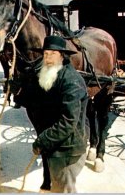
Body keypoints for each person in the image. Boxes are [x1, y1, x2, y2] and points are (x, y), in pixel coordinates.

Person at [32, 35, 88, 193]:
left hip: (67, 149)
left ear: (62, 56)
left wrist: (42, 140)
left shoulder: (71, 81)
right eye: (45, 54)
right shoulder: (52, 75)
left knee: (63, 190)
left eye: (53, 54)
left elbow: (68, 122)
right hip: (58, 145)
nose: (48, 58)